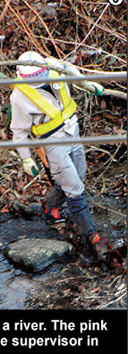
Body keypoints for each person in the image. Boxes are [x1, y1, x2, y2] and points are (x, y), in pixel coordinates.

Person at [10, 51, 110, 260]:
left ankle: (50, 204)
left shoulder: (55, 67)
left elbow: (73, 72)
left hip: (73, 130)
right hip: (53, 141)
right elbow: (19, 132)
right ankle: (92, 236)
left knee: (79, 174)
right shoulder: (19, 96)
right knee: (74, 188)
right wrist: (27, 158)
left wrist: (89, 85)